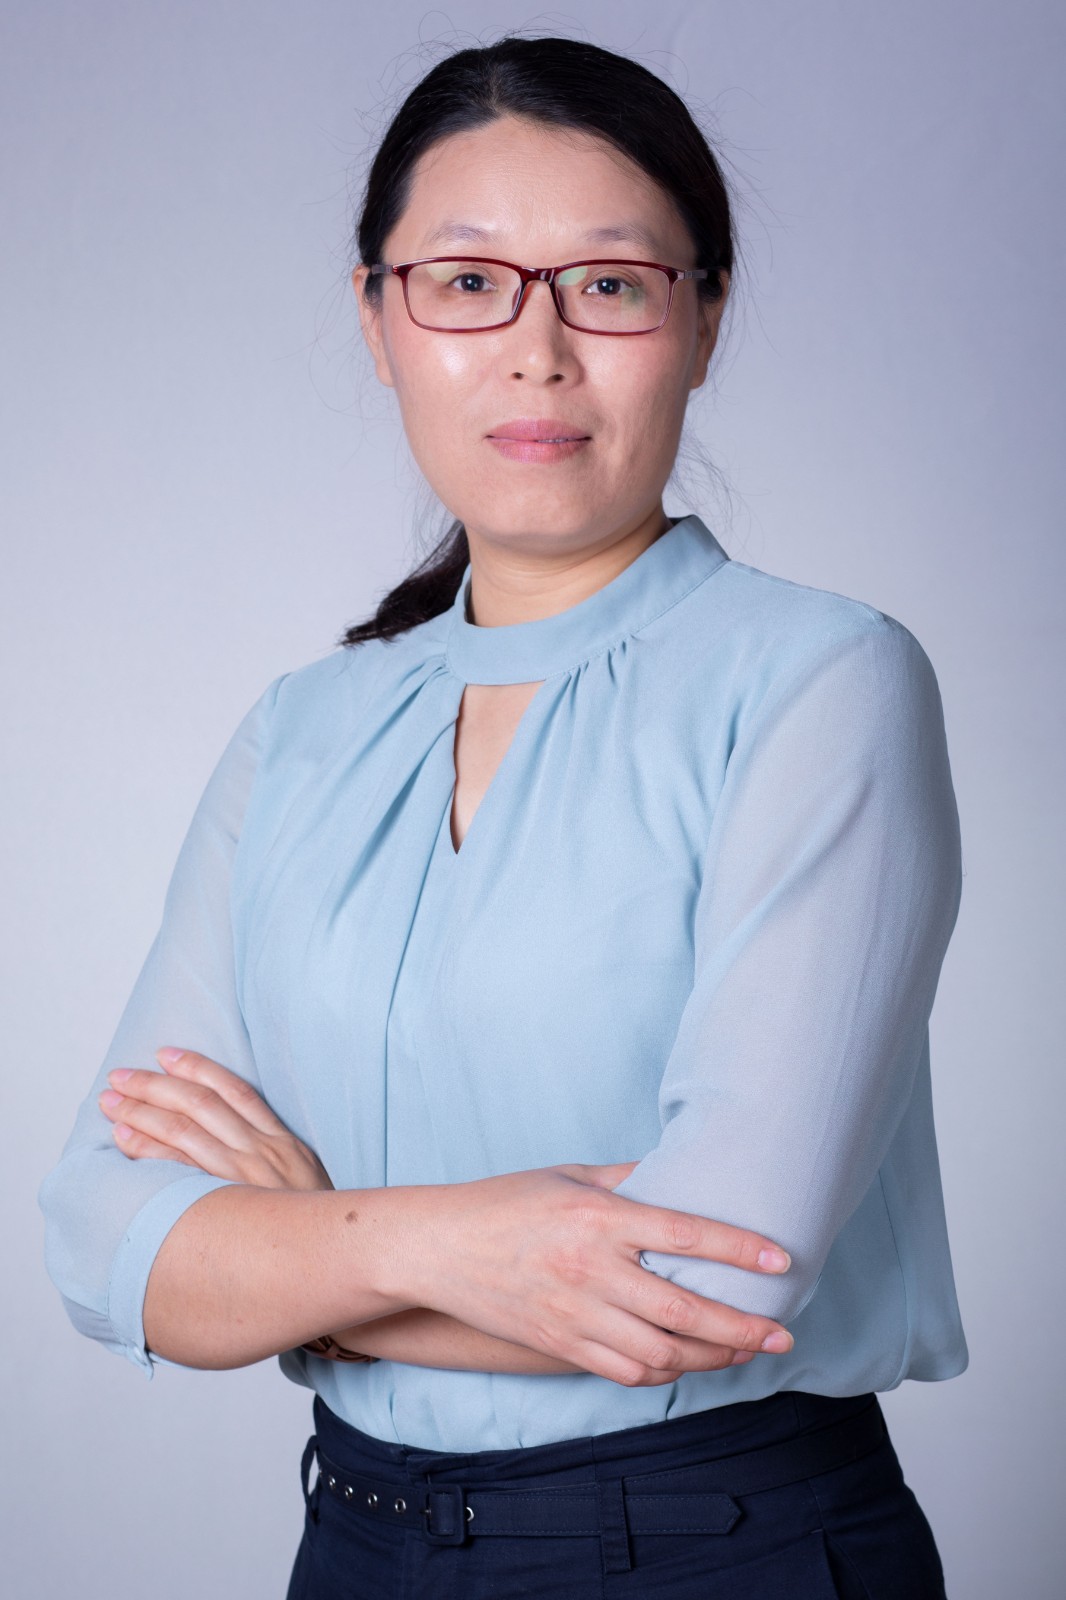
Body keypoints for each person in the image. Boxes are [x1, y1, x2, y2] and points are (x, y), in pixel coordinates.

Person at [37, 34, 968, 1600]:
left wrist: (298, 1266)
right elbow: (99, 1237)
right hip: (357, 1540)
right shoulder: (303, 730)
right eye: (465, 283)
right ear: (376, 318)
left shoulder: (822, 680)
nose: (536, 351)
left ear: (703, 320)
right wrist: (435, 1247)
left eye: (607, 284)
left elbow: (708, 1284)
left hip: (711, 1544)